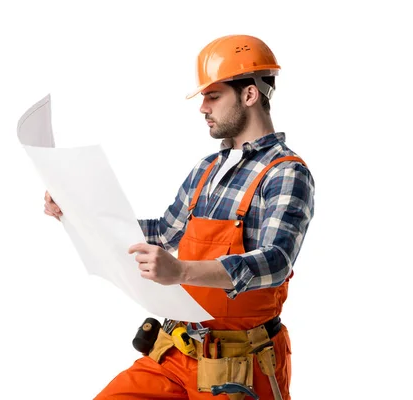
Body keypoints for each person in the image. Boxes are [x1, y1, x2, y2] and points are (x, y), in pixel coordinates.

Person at [44, 34, 315, 400]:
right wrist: (76, 213)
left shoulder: (285, 172)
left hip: (241, 366)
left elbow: (276, 261)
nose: (203, 107)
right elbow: (166, 232)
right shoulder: (206, 168)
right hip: (177, 350)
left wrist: (181, 272)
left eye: (213, 95)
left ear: (250, 94)